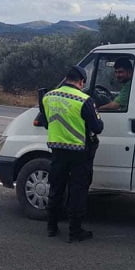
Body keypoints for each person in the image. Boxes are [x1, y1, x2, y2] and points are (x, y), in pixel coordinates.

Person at [43, 65, 103, 243]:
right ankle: (75, 231)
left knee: (56, 188)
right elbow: (97, 127)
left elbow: (46, 121)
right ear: (81, 82)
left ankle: (51, 227)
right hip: (80, 151)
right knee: (78, 191)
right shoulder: (85, 100)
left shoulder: (48, 97)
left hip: (57, 149)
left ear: (65, 78)